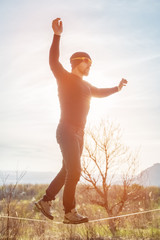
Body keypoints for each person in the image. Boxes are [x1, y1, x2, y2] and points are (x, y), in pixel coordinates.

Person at [35, 18, 128, 224]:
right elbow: (53, 61)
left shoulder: (87, 86)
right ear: (79, 62)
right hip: (66, 130)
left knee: (67, 170)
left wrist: (116, 88)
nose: (90, 67)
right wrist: (57, 36)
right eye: (89, 63)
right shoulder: (64, 78)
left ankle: (46, 200)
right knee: (75, 171)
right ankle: (69, 212)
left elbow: (100, 92)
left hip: (79, 133)